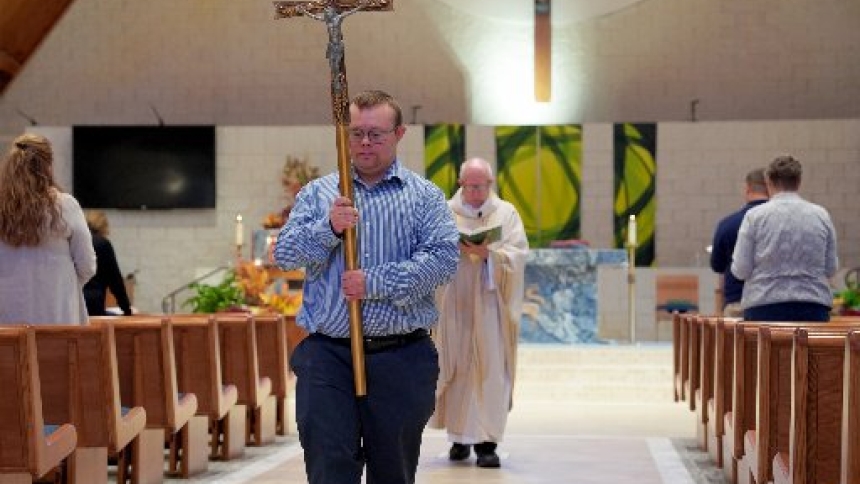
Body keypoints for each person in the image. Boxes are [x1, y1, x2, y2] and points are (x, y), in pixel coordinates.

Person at [273, 89, 460, 484]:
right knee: (329, 465)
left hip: (401, 357)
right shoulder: (319, 194)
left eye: (376, 134)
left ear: (399, 134)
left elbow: (444, 260)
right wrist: (328, 228)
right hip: (328, 356)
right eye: (356, 133)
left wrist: (373, 282)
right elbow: (285, 254)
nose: (364, 143)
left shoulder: (424, 197)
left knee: (392, 470)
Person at [429, 157, 529, 468]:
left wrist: (490, 255)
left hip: (490, 307)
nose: (476, 192)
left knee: (491, 371)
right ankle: (458, 440)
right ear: (460, 184)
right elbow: (430, 251)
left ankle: (488, 444)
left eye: (481, 186)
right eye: (470, 186)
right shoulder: (445, 213)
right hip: (455, 304)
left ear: (490, 184)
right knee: (458, 367)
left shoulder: (506, 213)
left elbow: (518, 254)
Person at [0, 133, 96, 325]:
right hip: (58, 314)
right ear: (48, 166)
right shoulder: (65, 205)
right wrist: (62, 283)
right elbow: (87, 265)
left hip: (8, 318)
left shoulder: (2, 207)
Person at [731, 155, 838, 321]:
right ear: (799, 182)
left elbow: (741, 269)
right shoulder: (821, 215)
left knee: (763, 348)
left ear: (769, 183)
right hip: (813, 307)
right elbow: (831, 268)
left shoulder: (754, 217)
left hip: (764, 306)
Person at [709, 168, 769, 317]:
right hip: (772, 303)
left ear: (747, 188)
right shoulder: (782, 223)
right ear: (771, 188)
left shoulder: (728, 224)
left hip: (738, 302)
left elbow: (717, 265)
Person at [83, 210, 133, 316]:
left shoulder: (75, 242)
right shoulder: (103, 244)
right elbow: (115, 281)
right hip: (94, 304)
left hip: (73, 303)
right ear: (104, 226)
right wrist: (127, 309)